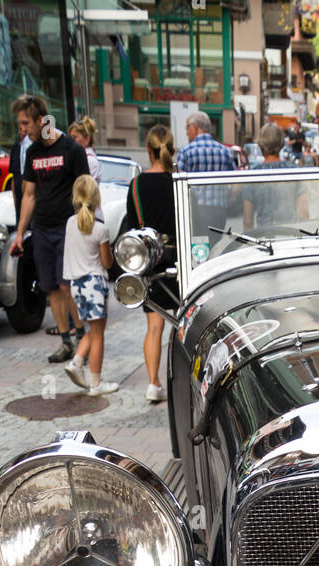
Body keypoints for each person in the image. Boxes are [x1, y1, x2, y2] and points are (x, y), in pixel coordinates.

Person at [10, 96, 88, 363]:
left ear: (41, 121)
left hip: (68, 228)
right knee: (51, 288)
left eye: (25, 123)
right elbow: (28, 195)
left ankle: (82, 338)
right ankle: (66, 342)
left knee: (68, 286)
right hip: (42, 230)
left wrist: (84, 228)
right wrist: (21, 233)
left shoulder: (71, 149)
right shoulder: (32, 153)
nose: (22, 129)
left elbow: (84, 191)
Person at [126, 124, 177, 403]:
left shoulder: (136, 185)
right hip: (180, 259)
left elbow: (133, 227)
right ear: (172, 149)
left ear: (148, 150)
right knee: (182, 324)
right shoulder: (178, 180)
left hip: (151, 260)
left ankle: (153, 383)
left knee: (154, 325)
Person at [61, 175, 116, 396]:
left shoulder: (69, 223)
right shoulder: (100, 229)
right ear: (96, 198)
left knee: (94, 330)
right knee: (98, 334)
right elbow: (106, 263)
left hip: (76, 285)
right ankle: (95, 383)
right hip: (94, 283)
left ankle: (77, 362)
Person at [243, 122, 308, 231]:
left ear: (260, 144)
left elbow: (248, 222)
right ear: (282, 143)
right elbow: (304, 214)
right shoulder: (294, 171)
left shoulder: (252, 175)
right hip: (289, 237)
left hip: (264, 238)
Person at [177, 111, 235, 230]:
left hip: (196, 211)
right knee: (214, 245)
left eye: (187, 128)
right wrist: (230, 199)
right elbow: (237, 181)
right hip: (220, 211)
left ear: (195, 128)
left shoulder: (186, 152)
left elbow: (178, 184)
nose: (186, 132)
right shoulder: (224, 151)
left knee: (199, 244)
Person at [8, 97, 32, 221]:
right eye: (19, 124)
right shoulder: (17, 147)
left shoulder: (42, 148)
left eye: (25, 123)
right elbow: (14, 179)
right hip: (21, 210)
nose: (22, 129)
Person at [69, 117, 100, 181]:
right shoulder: (75, 156)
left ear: (87, 139)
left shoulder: (90, 161)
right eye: (70, 137)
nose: (71, 141)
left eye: (74, 137)